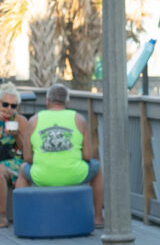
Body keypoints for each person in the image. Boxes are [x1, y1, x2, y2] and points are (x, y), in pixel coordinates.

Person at [15, 83, 104, 228]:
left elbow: (27, 158)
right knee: (97, 167)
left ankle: (23, 219)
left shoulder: (33, 121)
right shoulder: (79, 119)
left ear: (47, 101)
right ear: (67, 102)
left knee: (23, 170)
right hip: (75, 175)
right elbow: (88, 156)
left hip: (42, 177)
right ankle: (98, 217)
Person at [0, 82, 29, 227]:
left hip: (15, 162)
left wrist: (17, 136)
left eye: (13, 106)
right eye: (5, 104)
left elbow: (27, 151)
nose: (9, 109)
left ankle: (2, 216)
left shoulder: (20, 121)